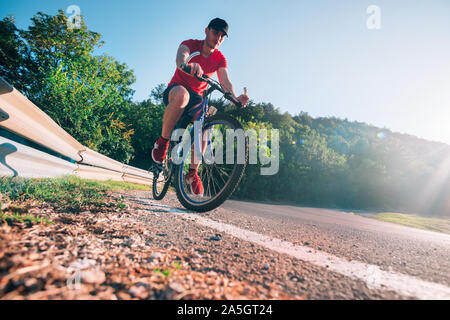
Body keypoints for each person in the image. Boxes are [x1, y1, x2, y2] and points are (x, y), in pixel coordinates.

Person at [152, 18, 249, 196]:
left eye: (222, 36)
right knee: (183, 96)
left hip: (197, 97)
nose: (218, 38)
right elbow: (180, 57)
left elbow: (225, 81)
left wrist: (235, 98)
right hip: (177, 90)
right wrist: (188, 64)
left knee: (206, 125)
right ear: (206, 30)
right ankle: (162, 143)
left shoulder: (219, 58)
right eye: (215, 33)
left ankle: (192, 173)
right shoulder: (190, 44)